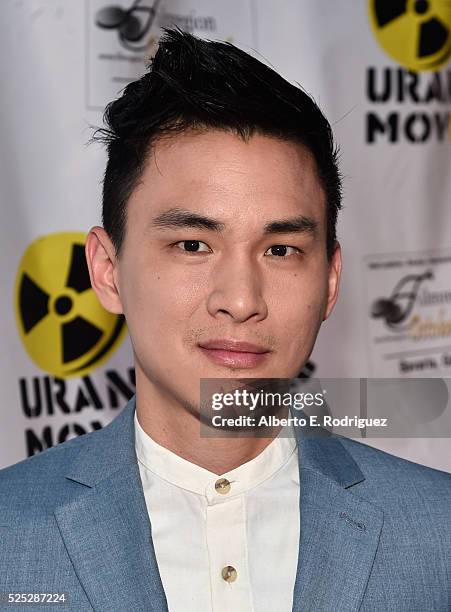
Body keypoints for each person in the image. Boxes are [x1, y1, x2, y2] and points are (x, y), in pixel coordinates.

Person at [0, 28, 450, 612]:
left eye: (280, 250)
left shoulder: (438, 532)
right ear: (108, 271)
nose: (241, 300)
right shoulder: (12, 530)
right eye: (192, 245)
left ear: (331, 281)